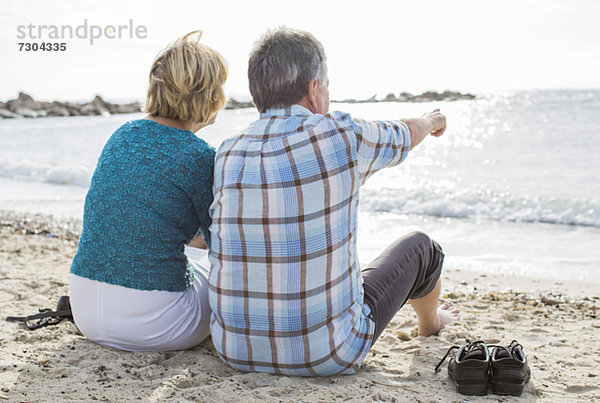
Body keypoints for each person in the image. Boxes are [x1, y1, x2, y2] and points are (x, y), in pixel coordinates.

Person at [208, 27, 459, 376]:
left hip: (236, 351)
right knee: (423, 248)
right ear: (314, 89)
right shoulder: (339, 134)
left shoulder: (227, 153)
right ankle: (431, 323)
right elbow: (404, 133)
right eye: (326, 85)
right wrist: (433, 119)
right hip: (329, 355)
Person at [69, 31, 227, 351]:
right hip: (154, 323)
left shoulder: (122, 135)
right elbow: (222, 245)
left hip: (84, 308)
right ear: (207, 95)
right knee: (211, 264)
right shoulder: (199, 156)